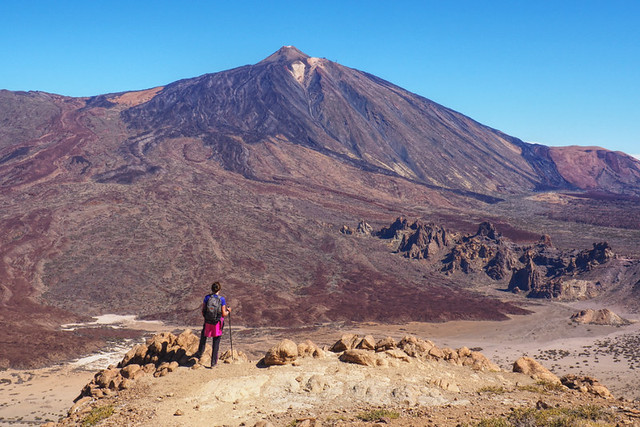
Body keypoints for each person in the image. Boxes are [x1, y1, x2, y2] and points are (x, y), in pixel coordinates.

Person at [196, 281, 231, 368]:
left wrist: (206, 317)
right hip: (217, 323)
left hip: (208, 322)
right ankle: (213, 363)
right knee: (216, 342)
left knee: (204, 336)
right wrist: (228, 311)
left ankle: (199, 354)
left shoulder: (207, 298)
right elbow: (223, 314)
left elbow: (203, 310)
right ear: (219, 289)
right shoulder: (221, 299)